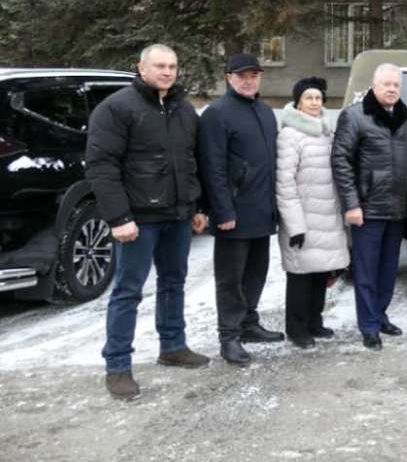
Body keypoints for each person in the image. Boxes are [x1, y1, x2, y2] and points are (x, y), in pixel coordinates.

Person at [86, 44, 210, 400]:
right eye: (159, 66)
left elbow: (193, 161)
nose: (167, 72)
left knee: (174, 283)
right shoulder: (116, 108)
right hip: (138, 220)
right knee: (128, 291)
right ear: (141, 68)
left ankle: (173, 346)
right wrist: (119, 217)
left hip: (178, 215)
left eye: (172, 66)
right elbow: (102, 166)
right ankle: (117, 366)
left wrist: (198, 206)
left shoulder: (184, 109)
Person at [198, 53, 282, 367]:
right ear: (229, 78)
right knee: (230, 279)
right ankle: (229, 336)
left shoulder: (265, 112)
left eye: (253, 76)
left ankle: (248, 323)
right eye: (242, 76)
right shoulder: (217, 114)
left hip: (262, 209)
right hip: (233, 212)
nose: (248, 81)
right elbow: (212, 168)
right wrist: (223, 211)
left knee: (256, 273)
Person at [331, 63, 407, 351]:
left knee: (388, 269)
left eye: (396, 85)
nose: (391, 89)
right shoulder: (355, 116)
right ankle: (368, 326)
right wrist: (351, 204)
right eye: (386, 84)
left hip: (397, 207)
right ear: (374, 85)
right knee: (366, 271)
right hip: (367, 208)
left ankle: (380, 316)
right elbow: (341, 161)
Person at [275, 77, 349, 349]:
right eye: (309, 98)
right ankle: (296, 328)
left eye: (318, 98)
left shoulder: (325, 133)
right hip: (303, 218)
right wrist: (295, 225)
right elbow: (285, 183)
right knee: (300, 276)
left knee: (320, 272)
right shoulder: (290, 135)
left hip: (327, 215)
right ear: (298, 102)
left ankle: (315, 321)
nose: (315, 103)